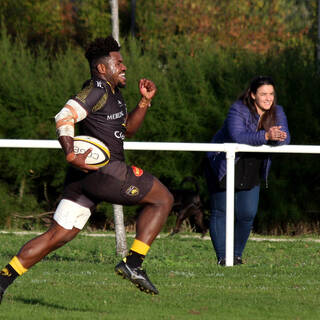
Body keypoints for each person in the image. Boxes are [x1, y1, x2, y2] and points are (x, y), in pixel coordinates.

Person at [0, 36, 174, 302]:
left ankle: (2, 281)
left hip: (84, 180)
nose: (124, 66)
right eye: (119, 62)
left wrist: (144, 102)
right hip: (105, 173)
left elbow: (127, 130)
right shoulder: (96, 89)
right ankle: (134, 263)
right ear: (102, 68)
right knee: (163, 198)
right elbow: (64, 116)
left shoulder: (113, 92)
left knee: (56, 236)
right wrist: (70, 152)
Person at [204, 75, 290, 266]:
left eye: (271, 94)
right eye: (263, 94)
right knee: (221, 210)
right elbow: (237, 135)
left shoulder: (278, 111)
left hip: (253, 166)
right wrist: (267, 135)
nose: (268, 98)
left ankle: (235, 256)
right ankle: (222, 258)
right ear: (252, 95)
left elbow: (285, 138)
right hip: (224, 163)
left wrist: (277, 137)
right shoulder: (238, 109)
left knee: (247, 213)